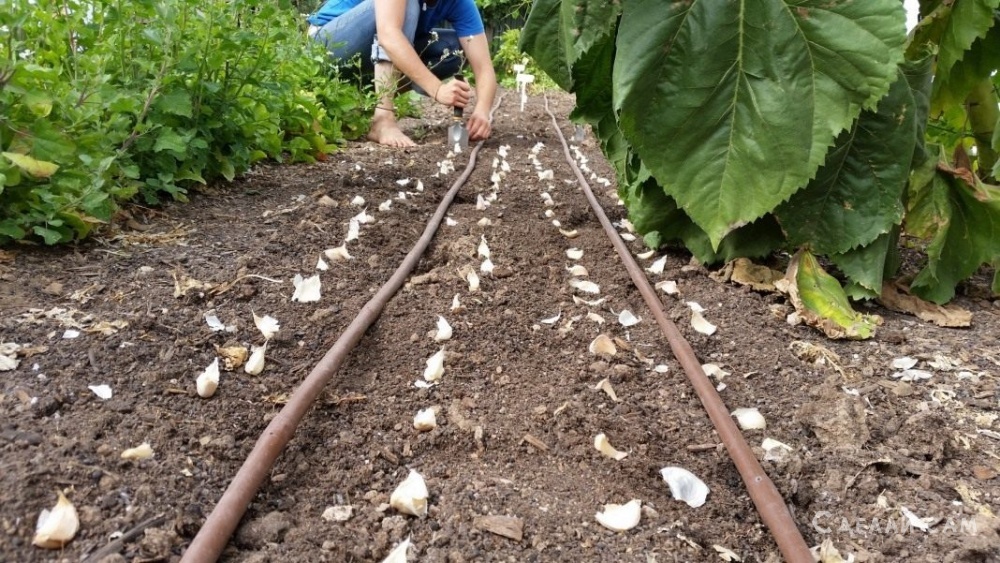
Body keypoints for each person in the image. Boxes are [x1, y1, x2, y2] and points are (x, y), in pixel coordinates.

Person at [307, 0, 497, 147]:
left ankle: (366, 100)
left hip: (364, 55)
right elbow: (389, 35)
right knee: (407, 8)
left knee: (452, 48)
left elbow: (484, 68)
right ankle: (383, 118)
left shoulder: (460, 3)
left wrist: (482, 111)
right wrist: (438, 89)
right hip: (326, 44)